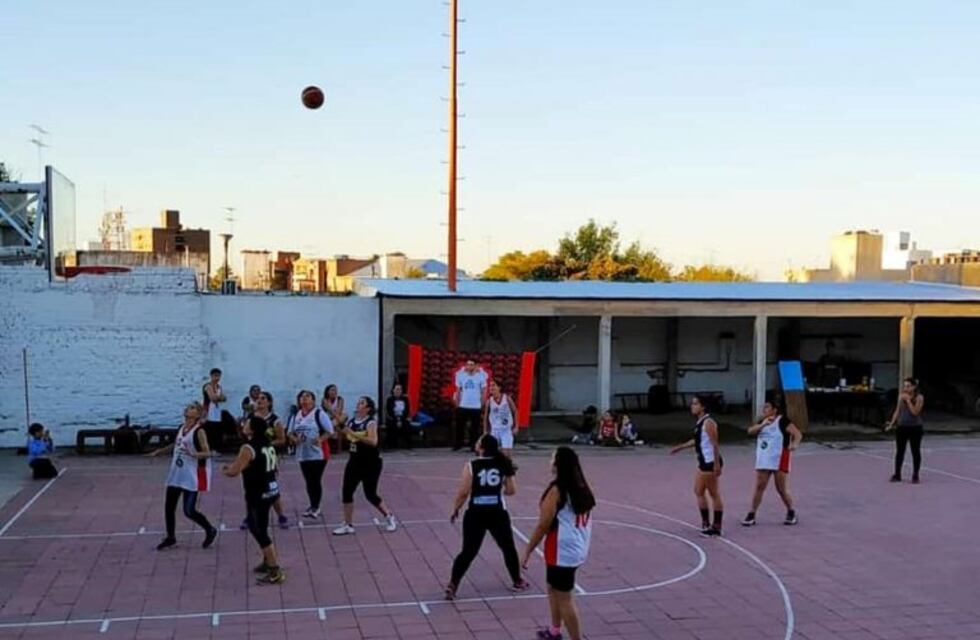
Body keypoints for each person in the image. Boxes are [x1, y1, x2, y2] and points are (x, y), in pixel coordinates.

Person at [521, 447, 595, 640]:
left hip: (562, 550)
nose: (550, 460)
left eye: (552, 457)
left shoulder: (557, 490)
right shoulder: (580, 486)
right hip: (577, 546)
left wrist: (528, 550)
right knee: (553, 587)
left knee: (565, 598)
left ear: (558, 464)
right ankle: (554, 631)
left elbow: (543, 524)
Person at [445, 434, 528, 600]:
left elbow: (463, 492)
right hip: (497, 512)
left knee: (468, 551)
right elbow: (511, 491)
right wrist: (501, 488)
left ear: (481, 447)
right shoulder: (502, 463)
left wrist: (456, 509)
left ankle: (453, 584)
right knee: (507, 547)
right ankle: (517, 580)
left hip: (476, 512)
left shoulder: (472, 465)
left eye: (477, 441)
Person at [222, 416, 286, 585]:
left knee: (258, 529)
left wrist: (226, 469)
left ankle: (275, 570)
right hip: (270, 490)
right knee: (261, 524)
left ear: (252, 429)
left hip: (257, 492)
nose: (244, 425)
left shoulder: (248, 447)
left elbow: (235, 471)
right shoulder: (267, 444)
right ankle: (267, 561)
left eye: (247, 423)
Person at [149, 402, 217, 551]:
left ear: (198, 414)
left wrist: (194, 454)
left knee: (189, 511)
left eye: (192, 407)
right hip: (177, 473)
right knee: (169, 507)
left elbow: (208, 452)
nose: (188, 409)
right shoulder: (182, 428)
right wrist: (160, 451)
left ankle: (210, 529)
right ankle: (170, 537)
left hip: (191, 475)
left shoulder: (199, 431)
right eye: (188, 407)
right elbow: (176, 445)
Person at [332, 396, 398, 535]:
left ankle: (389, 516)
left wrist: (354, 434)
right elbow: (344, 432)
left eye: (362, 402)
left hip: (370, 463)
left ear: (368, 408)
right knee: (347, 492)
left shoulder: (370, 422)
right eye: (359, 401)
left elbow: (373, 441)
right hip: (354, 462)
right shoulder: (352, 421)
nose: (358, 404)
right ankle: (348, 524)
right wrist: (338, 425)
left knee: (370, 494)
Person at [741, 400, 802, 526]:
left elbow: (797, 434)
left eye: (767, 407)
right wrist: (762, 425)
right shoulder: (762, 421)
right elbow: (750, 431)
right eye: (764, 407)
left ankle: (791, 511)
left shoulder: (782, 421)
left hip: (779, 457)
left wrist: (794, 444)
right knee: (759, 486)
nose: (764, 409)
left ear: (774, 410)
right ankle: (751, 514)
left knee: (781, 488)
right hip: (764, 458)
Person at [670, 395, 724, 536]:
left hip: (710, 461)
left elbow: (715, 444)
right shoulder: (700, 423)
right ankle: (705, 522)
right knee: (698, 491)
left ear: (703, 406)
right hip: (703, 461)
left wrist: (716, 464)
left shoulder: (708, 422)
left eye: (695, 404)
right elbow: (697, 440)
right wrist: (680, 447)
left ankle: (716, 526)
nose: (692, 406)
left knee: (713, 493)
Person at [239, 392, 290, 530]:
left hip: (267, 457)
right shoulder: (251, 418)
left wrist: (266, 444)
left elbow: (282, 440)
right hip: (252, 457)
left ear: (269, 402)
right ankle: (249, 516)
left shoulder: (275, 420)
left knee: (271, 487)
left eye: (263, 398)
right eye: (258, 399)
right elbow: (245, 432)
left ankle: (281, 515)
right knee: (249, 488)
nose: (259, 401)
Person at [287, 390, 334, 519]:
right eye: (302, 397)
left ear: (313, 400)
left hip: (319, 453)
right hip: (303, 452)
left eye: (307, 397)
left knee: (315, 479)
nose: (304, 399)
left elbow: (330, 431)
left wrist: (320, 439)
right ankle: (312, 505)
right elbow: (289, 432)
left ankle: (316, 506)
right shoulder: (296, 415)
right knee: (308, 480)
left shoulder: (319, 414)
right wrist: (294, 439)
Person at [886, 377, 925, 483]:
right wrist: (892, 422)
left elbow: (915, 412)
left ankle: (915, 475)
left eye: (908, 386)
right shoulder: (901, 396)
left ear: (913, 387)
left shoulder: (919, 397)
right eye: (904, 386)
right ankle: (897, 474)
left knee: (915, 451)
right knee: (900, 451)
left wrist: (908, 401)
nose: (906, 388)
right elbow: (897, 410)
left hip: (915, 428)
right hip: (902, 427)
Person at [453, 359, 488, 451]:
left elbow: (484, 391)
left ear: (476, 366)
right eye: (468, 364)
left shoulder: (481, 376)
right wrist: (457, 402)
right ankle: (458, 444)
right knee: (460, 426)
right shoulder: (461, 376)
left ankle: (473, 445)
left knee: (474, 428)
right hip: (463, 405)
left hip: (475, 406)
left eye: (472, 364)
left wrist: (482, 402)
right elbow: (458, 390)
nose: (469, 366)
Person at [484, 380, 518, 455]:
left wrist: (516, 426)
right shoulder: (489, 401)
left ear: (499, 387)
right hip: (494, 429)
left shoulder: (507, 398)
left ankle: (508, 465)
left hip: (506, 429)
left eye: (493, 385)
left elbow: (515, 411)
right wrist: (485, 430)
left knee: (506, 453)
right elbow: (486, 417)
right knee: (492, 451)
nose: (491, 388)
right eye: (490, 386)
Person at [202, 368, 227, 451]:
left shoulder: (219, 387)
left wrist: (218, 398)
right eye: (215, 376)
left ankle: (216, 448)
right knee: (209, 428)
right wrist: (218, 398)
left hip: (217, 410)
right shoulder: (208, 386)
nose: (217, 378)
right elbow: (212, 398)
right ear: (211, 376)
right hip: (208, 410)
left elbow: (224, 398)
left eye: (219, 376)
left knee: (217, 429)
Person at [384, 383, 414, 449]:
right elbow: (389, 411)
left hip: (403, 417)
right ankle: (391, 445)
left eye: (400, 389)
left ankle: (408, 445)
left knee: (406, 425)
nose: (398, 391)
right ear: (393, 390)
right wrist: (397, 420)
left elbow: (407, 411)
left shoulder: (405, 399)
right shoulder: (389, 399)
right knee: (392, 425)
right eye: (397, 389)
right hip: (393, 418)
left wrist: (401, 419)